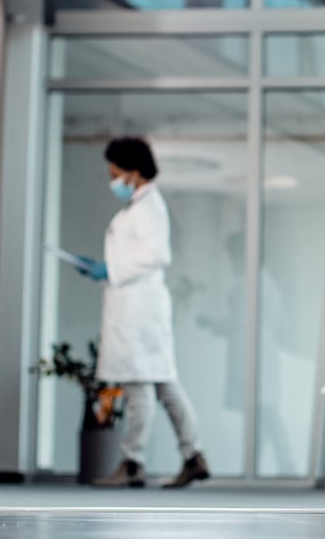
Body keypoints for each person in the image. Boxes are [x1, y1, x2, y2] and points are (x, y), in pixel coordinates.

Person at [79, 136, 212, 489]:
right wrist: (107, 268)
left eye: (115, 172)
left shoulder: (149, 206)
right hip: (138, 305)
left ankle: (133, 461)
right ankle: (193, 454)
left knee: (138, 386)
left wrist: (111, 268)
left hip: (139, 307)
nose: (113, 179)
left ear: (133, 171)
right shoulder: (139, 205)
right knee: (165, 384)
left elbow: (157, 255)